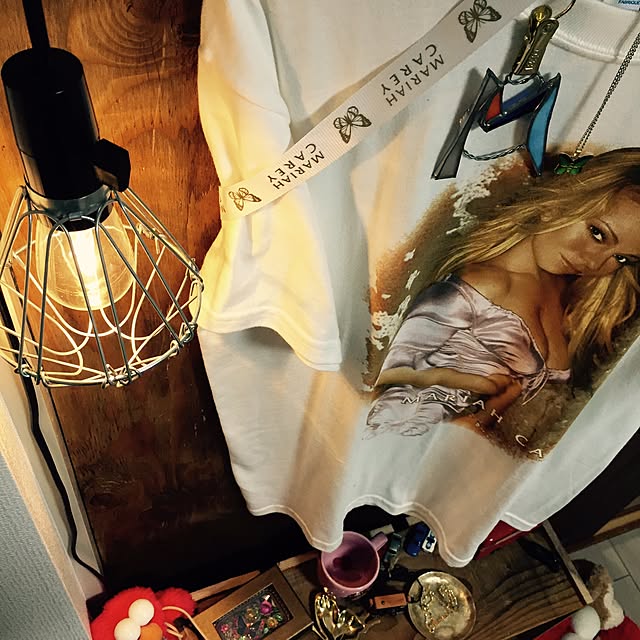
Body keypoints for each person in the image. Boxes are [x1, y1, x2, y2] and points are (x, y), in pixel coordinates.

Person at [366, 149, 640, 441]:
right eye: (597, 233)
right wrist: (463, 415)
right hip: (409, 451)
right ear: (561, 199)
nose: (596, 263)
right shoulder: (483, 286)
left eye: (622, 258)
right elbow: (384, 389)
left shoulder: (570, 306)